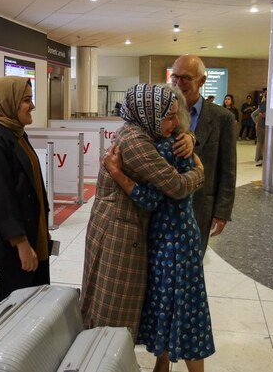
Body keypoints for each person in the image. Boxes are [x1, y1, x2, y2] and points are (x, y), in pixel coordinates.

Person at [80, 84, 202, 341]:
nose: (175, 123)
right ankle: (103, 361)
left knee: (109, 303)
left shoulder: (142, 129)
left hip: (120, 228)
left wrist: (190, 138)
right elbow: (176, 186)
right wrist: (199, 174)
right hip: (118, 234)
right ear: (150, 113)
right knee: (111, 310)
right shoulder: (136, 141)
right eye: (169, 116)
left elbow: (175, 135)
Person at [103, 87, 213, 372]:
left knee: (176, 308)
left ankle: (163, 366)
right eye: (168, 117)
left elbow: (155, 197)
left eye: (175, 117)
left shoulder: (163, 145)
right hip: (178, 237)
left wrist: (118, 175)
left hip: (169, 241)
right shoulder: (162, 141)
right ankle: (161, 366)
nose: (174, 123)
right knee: (180, 307)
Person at [0, 76, 51, 301]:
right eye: (26, 100)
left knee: (30, 300)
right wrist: (21, 243)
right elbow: (1, 199)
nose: (32, 105)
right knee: (9, 306)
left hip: (24, 234)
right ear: (7, 101)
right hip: (3, 245)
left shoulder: (15, 133)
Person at [170, 54, 237, 253]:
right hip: (165, 207)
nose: (178, 83)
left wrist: (222, 212)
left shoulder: (222, 118)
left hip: (200, 207)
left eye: (186, 78)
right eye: (175, 77)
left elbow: (228, 169)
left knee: (193, 263)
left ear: (202, 81)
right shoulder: (164, 114)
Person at [252, 101, 266, 166]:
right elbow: (254, 114)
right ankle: (259, 158)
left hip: (260, 126)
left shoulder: (262, 103)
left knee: (260, 142)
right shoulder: (264, 104)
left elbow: (253, 114)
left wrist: (256, 122)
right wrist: (257, 122)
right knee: (260, 142)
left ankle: (259, 158)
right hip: (262, 126)